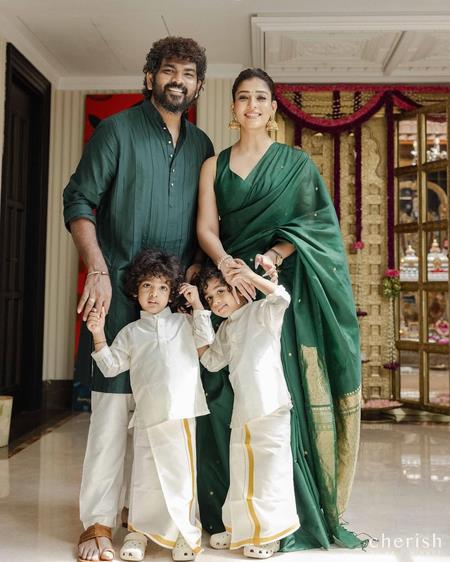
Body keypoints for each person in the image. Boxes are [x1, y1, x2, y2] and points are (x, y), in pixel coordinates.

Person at [196, 68, 363, 551]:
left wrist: (272, 256)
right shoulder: (214, 165)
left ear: (273, 108)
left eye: (260, 98)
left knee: (273, 404)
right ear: (233, 107)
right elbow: (206, 228)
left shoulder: (295, 164)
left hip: (273, 293)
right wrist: (226, 265)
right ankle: (231, 514)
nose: (251, 105)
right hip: (229, 291)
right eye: (243, 97)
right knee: (222, 399)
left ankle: (281, 520)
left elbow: (315, 225)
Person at [63, 37, 214, 562]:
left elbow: (204, 225)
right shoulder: (116, 131)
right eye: (168, 70)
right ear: (150, 77)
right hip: (118, 293)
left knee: (164, 417)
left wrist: (195, 278)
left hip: (171, 307)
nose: (178, 80)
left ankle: (149, 519)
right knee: (110, 411)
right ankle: (97, 522)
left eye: (188, 74)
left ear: (198, 85)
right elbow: (79, 200)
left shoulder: (202, 147)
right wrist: (98, 270)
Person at [86, 249, 214, 562]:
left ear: (171, 292)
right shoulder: (131, 333)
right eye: (147, 286)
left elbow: (206, 339)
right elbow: (110, 367)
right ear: (135, 291)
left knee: (181, 476)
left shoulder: (185, 323)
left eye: (161, 287)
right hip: (146, 416)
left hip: (181, 413)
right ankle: (138, 533)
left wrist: (198, 304)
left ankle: (185, 533)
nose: (154, 294)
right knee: (144, 477)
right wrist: (98, 333)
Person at [196, 261, 299, 559]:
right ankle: (240, 528)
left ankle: (270, 535)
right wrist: (198, 312)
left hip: (270, 404)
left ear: (239, 289)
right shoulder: (226, 328)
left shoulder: (261, 312)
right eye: (210, 297)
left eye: (221, 291)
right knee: (242, 470)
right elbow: (211, 361)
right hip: (243, 408)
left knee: (270, 472)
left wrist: (250, 276)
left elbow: (282, 297)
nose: (216, 301)